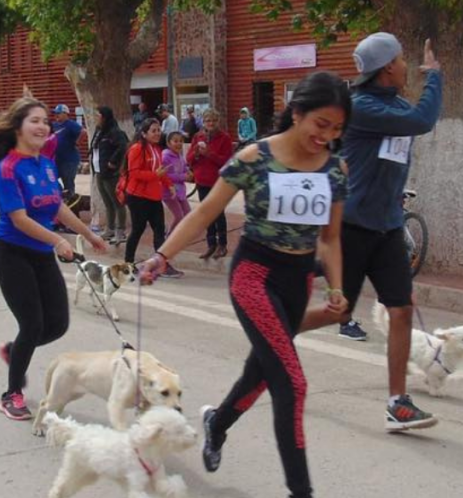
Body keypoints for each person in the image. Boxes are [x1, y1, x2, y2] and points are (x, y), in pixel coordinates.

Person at [138, 71, 352, 498]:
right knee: (292, 382)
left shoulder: (335, 168)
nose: (326, 136)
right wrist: (163, 255)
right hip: (254, 276)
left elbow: (329, 239)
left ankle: (217, 422)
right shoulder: (254, 158)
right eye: (320, 125)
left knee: (262, 372)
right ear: (297, 113)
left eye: (337, 129)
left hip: (298, 281)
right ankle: (301, 490)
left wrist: (335, 289)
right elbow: (203, 213)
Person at [300, 34, 443, 431]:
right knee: (340, 311)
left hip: (389, 227)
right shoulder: (361, 107)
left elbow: (399, 143)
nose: (405, 64)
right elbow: (423, 120)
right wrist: (435, 76)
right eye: (400, 59)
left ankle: (398, 403)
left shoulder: (394, 105)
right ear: (386, 69)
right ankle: (279, 327)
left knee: (401, 308)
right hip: (352, 225)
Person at [0, 97, 108, 421]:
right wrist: (57, 241)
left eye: (45, 121)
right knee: (32, 324)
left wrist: (90, 235)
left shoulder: (47, 164)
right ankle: (11, 394)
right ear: (18, 128)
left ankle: (14, 351)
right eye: (34, 121)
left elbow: (57, 207)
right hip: (11, 253)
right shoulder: (8, 167)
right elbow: (19, 218)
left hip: (41, 253)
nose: (42, 126)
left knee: (57, 324)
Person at [122, 118, 172, 271]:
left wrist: (169, 184)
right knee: (138, 229)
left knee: (159, 230)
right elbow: (134, 173)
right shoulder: (137, 149)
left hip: (154, 196)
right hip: (138, 196)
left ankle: (162, 264)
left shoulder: (156, 149)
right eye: (153, 131)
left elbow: (160, 171)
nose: (157, 133)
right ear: (144, 133)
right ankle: (128, 263)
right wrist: (155, 176)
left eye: (158, 130)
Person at [188, 109, 234, 259]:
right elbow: (189, 159)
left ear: (218, 122)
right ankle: (211, 244)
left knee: (218, 213)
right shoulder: (198, 137)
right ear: (204, 122)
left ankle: (222, 245)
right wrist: (196, 153)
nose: (211, 124)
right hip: (202, 181)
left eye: (213, 121)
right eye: (208, 121)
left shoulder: (224, 138)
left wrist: (209, 153)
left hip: (218, 182)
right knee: (206, 214)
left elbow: (226, 162)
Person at [89, 106, 128, 243]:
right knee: (107, 202)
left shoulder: (115, 132)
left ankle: (121, 231)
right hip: (99, 172)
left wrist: (113, 161)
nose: (95, 118)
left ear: (104, 117)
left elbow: (123, 146)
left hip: (110, 173)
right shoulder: (99, 131)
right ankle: (110, 229)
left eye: (98, 115)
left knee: (117, 202)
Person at [161, 131, 191, 238]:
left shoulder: (179, 155)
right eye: (175, 141)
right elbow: (166, 175)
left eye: (181, 141)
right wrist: (183, 176)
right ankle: (169, 237)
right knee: (179, 216)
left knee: (188, 213)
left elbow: (183, 166)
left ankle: (179, 235)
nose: (179, 143)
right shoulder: (165, 157)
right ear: (169, 143)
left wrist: (188, 171)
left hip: (180, 191)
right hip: (169, 192)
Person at [51, 104, 83, 195]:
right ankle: (61, 195)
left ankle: (71, 201)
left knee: (68, 183)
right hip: (57, 160)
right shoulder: (55, 125)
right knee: (51, 179)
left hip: (69, 161)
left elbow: (82, 131)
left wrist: (77, 142)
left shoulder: (70, 124)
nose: (56, 115)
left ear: (65, 113)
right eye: (55, 113)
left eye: (58, 113)